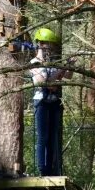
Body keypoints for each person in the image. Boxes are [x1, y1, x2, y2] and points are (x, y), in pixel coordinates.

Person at [29, 27, 67, 176]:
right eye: (46, 44)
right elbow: (43, 81)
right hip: (41, 103)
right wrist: (56, 75)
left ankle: (53, 169)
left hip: (54, 102)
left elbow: (66, 76)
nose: (49, 48)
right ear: (40, 43)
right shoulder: (34, 63)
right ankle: (42, 169)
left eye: (50, 45)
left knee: (53, 137)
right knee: (43, 137)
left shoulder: (51, 63)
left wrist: (68, 66)